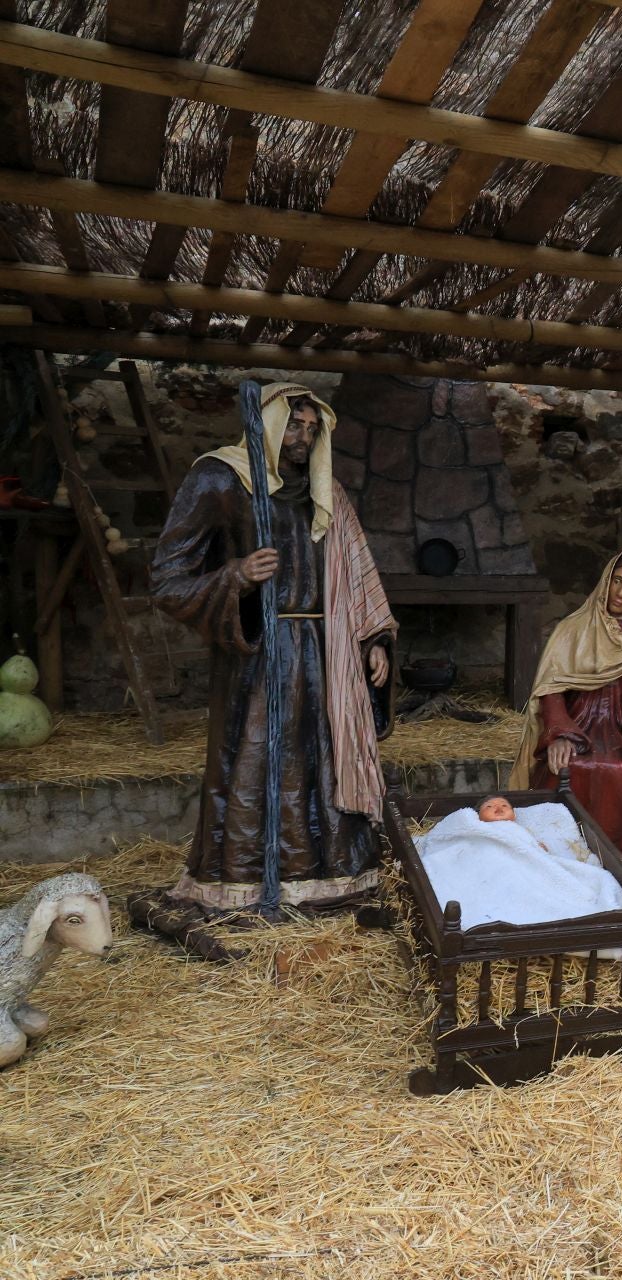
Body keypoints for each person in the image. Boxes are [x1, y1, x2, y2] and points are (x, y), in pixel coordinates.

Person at [134, 384, 395, 950]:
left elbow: (357, 575)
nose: (301, 438)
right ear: (270, 423)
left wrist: (371, 639)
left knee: (324, 761)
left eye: (311, 428)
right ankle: (244, 886)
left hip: (328, 654)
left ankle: (335, 881)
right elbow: (168, 580)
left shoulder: (327, 494)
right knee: (256, 764)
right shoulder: (221, 478)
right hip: (258, 659)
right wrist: (237, 576)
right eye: (293, 425)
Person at [509, 549, 622, 900]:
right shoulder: (573, 628)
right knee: (567, 766)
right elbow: (550, 689)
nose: (621, 593)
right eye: (617, 581)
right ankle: (551, 868)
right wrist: (559, 734)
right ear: (606, 580)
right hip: (577, 725)